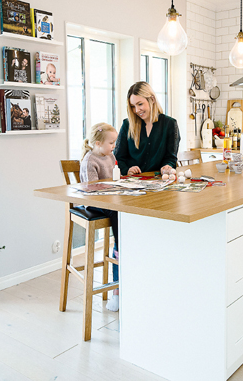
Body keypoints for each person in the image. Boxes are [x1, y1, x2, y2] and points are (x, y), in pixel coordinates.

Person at [80, 122, 120, 312]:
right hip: (96, 202)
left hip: (109, 199)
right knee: (117, 212)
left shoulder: (109, 156)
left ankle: (123, 246)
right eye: (111, 143)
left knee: (123, 209)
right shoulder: (89, 160)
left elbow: (115, 176)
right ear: (97, 143)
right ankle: (121, 247)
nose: (114, 146)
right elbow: (92, 189)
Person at [114, 81, 180, 177]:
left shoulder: (170, 124)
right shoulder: (127, 125)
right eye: (133, 106)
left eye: (140, 104)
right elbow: (118, 158)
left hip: (158, 181)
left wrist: (167, 166)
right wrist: (127, 170)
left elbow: (171, 157)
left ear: (152, 99)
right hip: (133, 183)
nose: (136, 110)